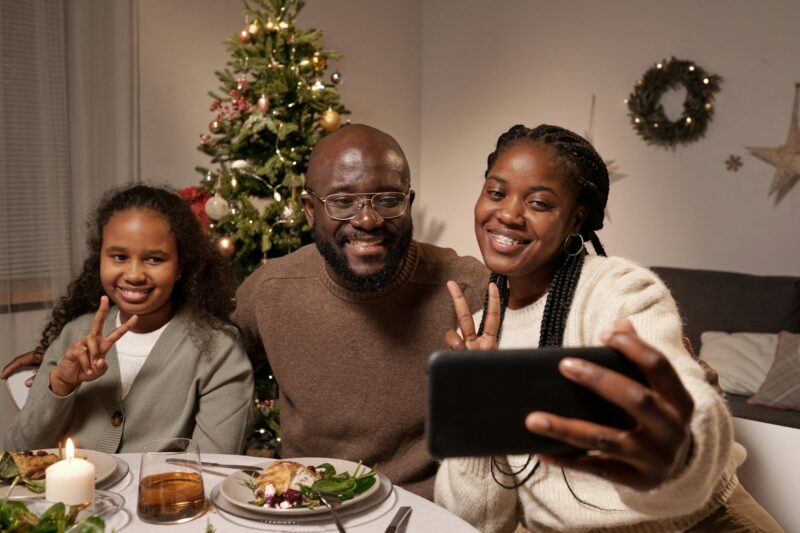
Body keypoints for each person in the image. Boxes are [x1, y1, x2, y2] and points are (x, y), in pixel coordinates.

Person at [435, 124, 783, 532]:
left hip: (700, 521)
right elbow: (475, 522)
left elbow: (685, 395)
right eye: (496, 193)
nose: (509, 214)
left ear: (575, 220)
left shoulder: (620, 290)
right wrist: (478, 414)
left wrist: (681, 454)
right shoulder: (481, 337)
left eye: (540, 203)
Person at [231, 124, 488, 499]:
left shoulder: (465, 290)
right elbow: (209, 373)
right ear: (309, 210)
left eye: (387, 199)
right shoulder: (270, 291)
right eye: (342, 201)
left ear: (408, 202)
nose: (367, 220)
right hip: (305, 506)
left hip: (422, 512)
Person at [5, 185, 254, 454]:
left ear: (180, 266)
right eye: (119, 257)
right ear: (99, 257)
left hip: (164, 496)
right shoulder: (73, 335)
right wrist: (61, 384)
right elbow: (19, 452)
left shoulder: (218, 350)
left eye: (154, 259)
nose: (134, 274)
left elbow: (214, 466)